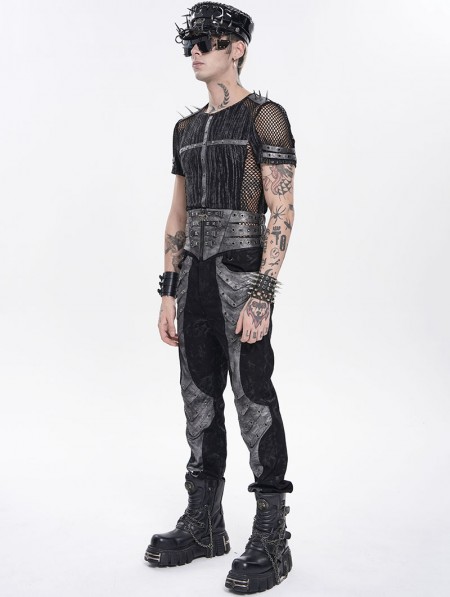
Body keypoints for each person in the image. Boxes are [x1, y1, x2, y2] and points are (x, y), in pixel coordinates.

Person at [144, 2, 297, 593]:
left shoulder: (265, 117)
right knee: (198, 399)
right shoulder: (185, 130)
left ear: (237, 48)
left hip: (241, 275)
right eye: (190, 42)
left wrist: (264, 292)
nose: (195, 51)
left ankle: (272, 532)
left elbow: (282, 210)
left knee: (253, 397)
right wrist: (167, 291)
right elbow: (176, 215)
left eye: (207, 41)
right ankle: (205, 522)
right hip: (193, 281)